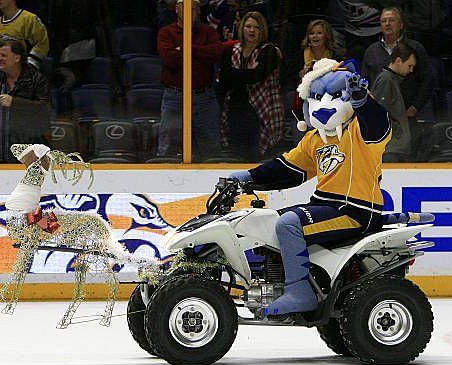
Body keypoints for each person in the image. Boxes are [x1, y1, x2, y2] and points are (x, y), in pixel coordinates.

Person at [230, 58, 392, 314]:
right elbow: (287, 169)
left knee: (289, 223)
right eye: (316, 98)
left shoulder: (359, 131)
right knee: (267, 222)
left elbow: (379, 124)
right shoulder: (315, 139)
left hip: (355, 210)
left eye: (335, 95)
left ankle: (300, 292)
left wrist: (362, 100)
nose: (323, 105)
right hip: (325, 205)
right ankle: (276, 285)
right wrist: (246, 178)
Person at [361, 7, 432, 160]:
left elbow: (428, 81)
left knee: (408, 158)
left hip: (408, 116)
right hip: (383, 119)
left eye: (391, 20)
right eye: (383, 21)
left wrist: (416, 106)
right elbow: (364, 82)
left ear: (401, 24)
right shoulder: (371, 51)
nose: (387, 24)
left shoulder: (415, 48)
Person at [157, 0, 223, 161]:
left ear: (198, 10)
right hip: (175, 96)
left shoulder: (208, 32)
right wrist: (200, 53)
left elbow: (215, 53)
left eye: (194, 7)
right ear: (177, 9)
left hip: (204, 97)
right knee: (168, 144)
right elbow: (169, 59)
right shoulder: (166, 32)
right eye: (186, 6)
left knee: (210, 145)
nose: (190, 10)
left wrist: (187, 48)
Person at [219, 11, 283, 162]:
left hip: (260, 109)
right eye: (248, 26)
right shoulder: (231, 50)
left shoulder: (270, 51)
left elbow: (257, 77)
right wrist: (247, 72)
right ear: (242, 28)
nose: (251, 30)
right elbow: (224, 78)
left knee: (255, 155)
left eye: (256, 27)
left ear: (262, 30)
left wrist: (236, 74)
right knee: (236, 153)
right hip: (234, 108)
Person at [0, 39, 49, 163]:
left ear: (17, 58)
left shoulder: (36, 79)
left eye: (4, 55)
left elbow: (44, 109)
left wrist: (15, 103)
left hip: (28, 153)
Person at [372, 42, 416, 162]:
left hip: (395, 147)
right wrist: (398, 132)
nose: (411, 70)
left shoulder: (392, 80)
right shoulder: (386, 80)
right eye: (409, 66)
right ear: (398, 61)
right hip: (391, 149)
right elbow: (379, 114)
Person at [0, 0, 49, 70]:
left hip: (24, 70)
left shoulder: (30, 19)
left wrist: (31, 65)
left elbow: (42, 43)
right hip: (3, 72)